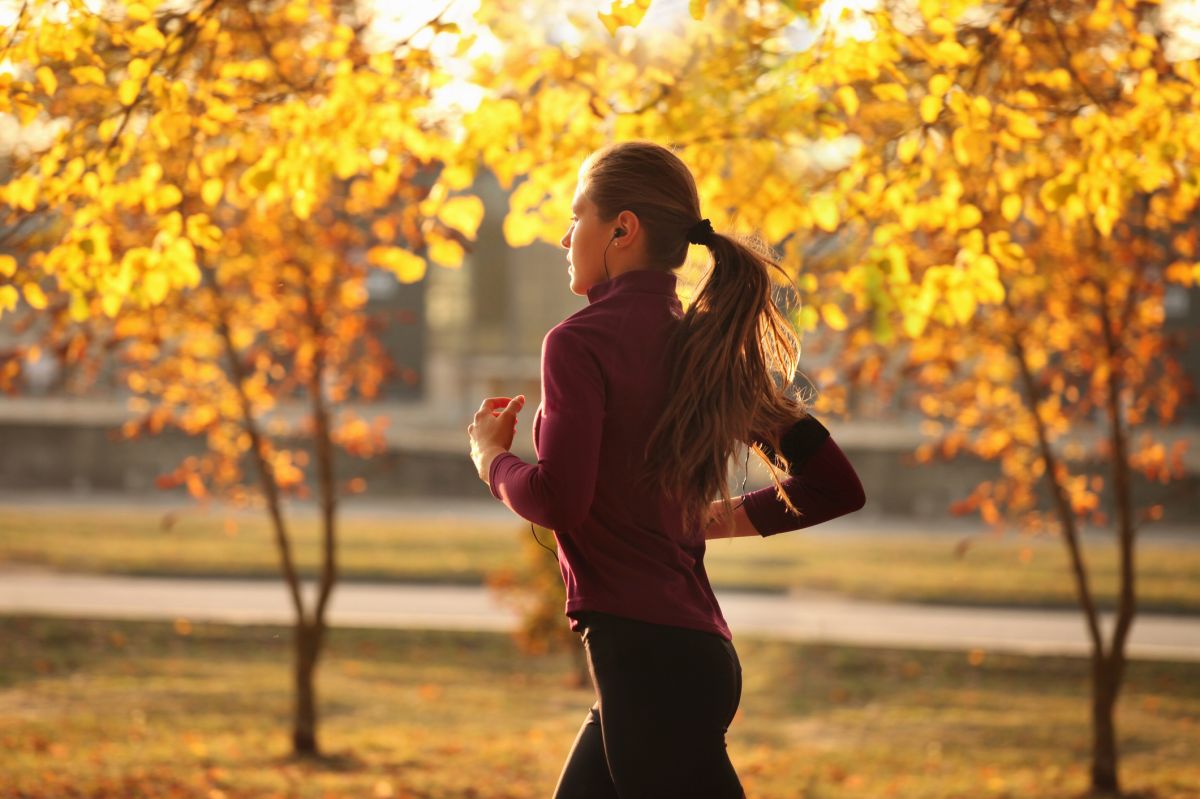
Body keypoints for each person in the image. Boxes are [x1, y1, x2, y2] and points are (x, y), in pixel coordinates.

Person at [467, 140, 866, 798]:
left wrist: (491, 457)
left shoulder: (579, 342)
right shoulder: (703, 347)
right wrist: (702, 520)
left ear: (622, 229)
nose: (566, 236)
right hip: (685, 656)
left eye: (578, 216)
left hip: (646, 662)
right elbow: (834, 486)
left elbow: (559, 500)